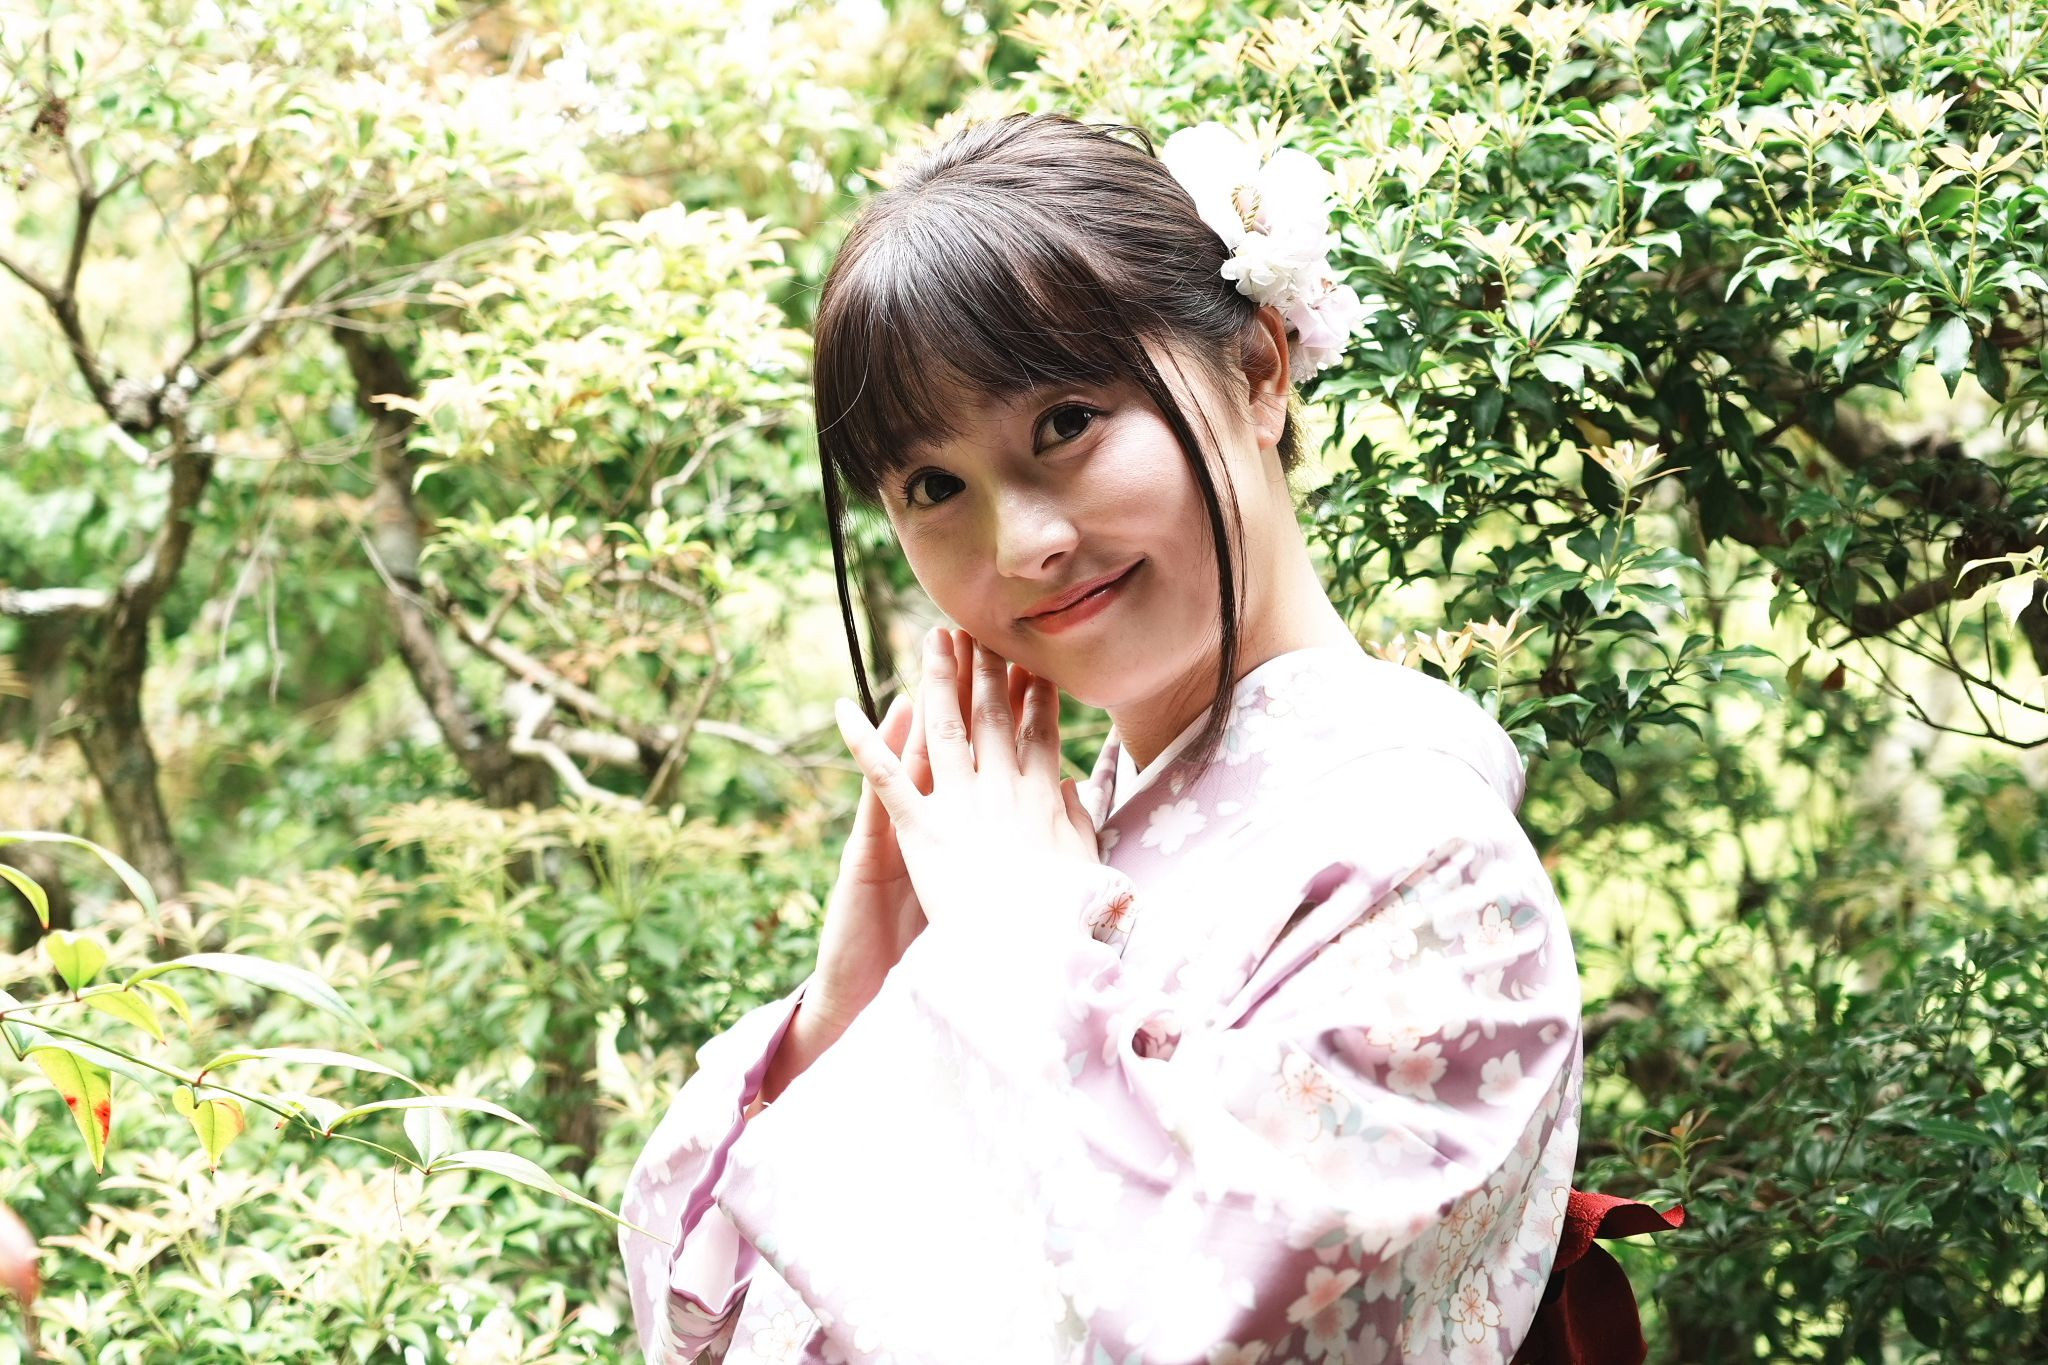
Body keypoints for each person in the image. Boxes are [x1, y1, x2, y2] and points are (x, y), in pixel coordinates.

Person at [620, 112, 1593, 1365]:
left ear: (1257, 370)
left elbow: (1209, 1328)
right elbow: (709, 1338)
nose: (1023, 543)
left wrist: (1024, 954)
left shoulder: (1431, 869)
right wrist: (846, 1013)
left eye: (1067, 421)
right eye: (933, 488)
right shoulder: (1030, 872)